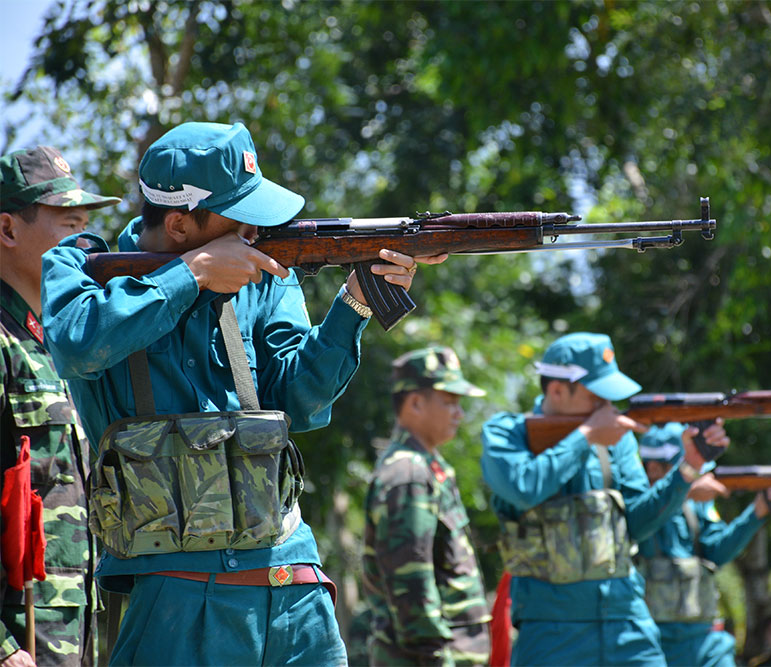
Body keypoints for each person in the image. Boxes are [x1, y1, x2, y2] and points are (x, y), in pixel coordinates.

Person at [39, 121, 443, 666]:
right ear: (180, 224)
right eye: (239, 212)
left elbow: (299, 402)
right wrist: (191, 276)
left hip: (294, 583)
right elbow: (77, 344)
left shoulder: (268, 276)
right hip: (177, 596)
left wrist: (355, 306)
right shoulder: (83, 266)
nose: (258, 228)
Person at [479, 332, 731, 666]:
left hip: (628, 623)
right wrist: (585, 437)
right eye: (599, 398)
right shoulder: (508, 433)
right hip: (551, 630)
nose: (609, 409)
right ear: (556, 390)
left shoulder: (617, 440)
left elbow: (637, 525)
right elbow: (524, 488)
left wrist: (687, 469)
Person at [1, 146, 120, 667]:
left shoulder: (59, 343)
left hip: (72, 633)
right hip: (18, 641)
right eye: (70, 225)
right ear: (7, 230)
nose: (86, 243)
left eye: (88, 224)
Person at [362, 346, 492, 666]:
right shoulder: (409, 474)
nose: (459, 413)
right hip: (426, 657)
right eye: (449, 402)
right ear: (416, 403)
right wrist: (431, 653)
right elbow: (411, 576)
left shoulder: (427, 466)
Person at [635, 423, 771, 667]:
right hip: (650, 640)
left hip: (702, 637)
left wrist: (757, 513)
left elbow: (716, 553)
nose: (696, 474)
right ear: (653, 468)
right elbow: (638, 527)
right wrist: (683, 492)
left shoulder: (697, 502)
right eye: (687, 466)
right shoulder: (635, 504)